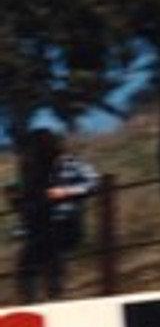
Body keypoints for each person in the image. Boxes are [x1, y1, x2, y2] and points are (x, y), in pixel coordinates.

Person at [14, 128, 100, 303]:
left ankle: (55, 297)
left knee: (49, 256)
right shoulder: (31, 171)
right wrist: (18, 201)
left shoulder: (69, 163)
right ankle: (35, 303)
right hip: (39, 228)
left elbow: (93, 181)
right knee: (26, 266)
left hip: (64, 224)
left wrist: (65, 191)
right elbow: (29, 202)